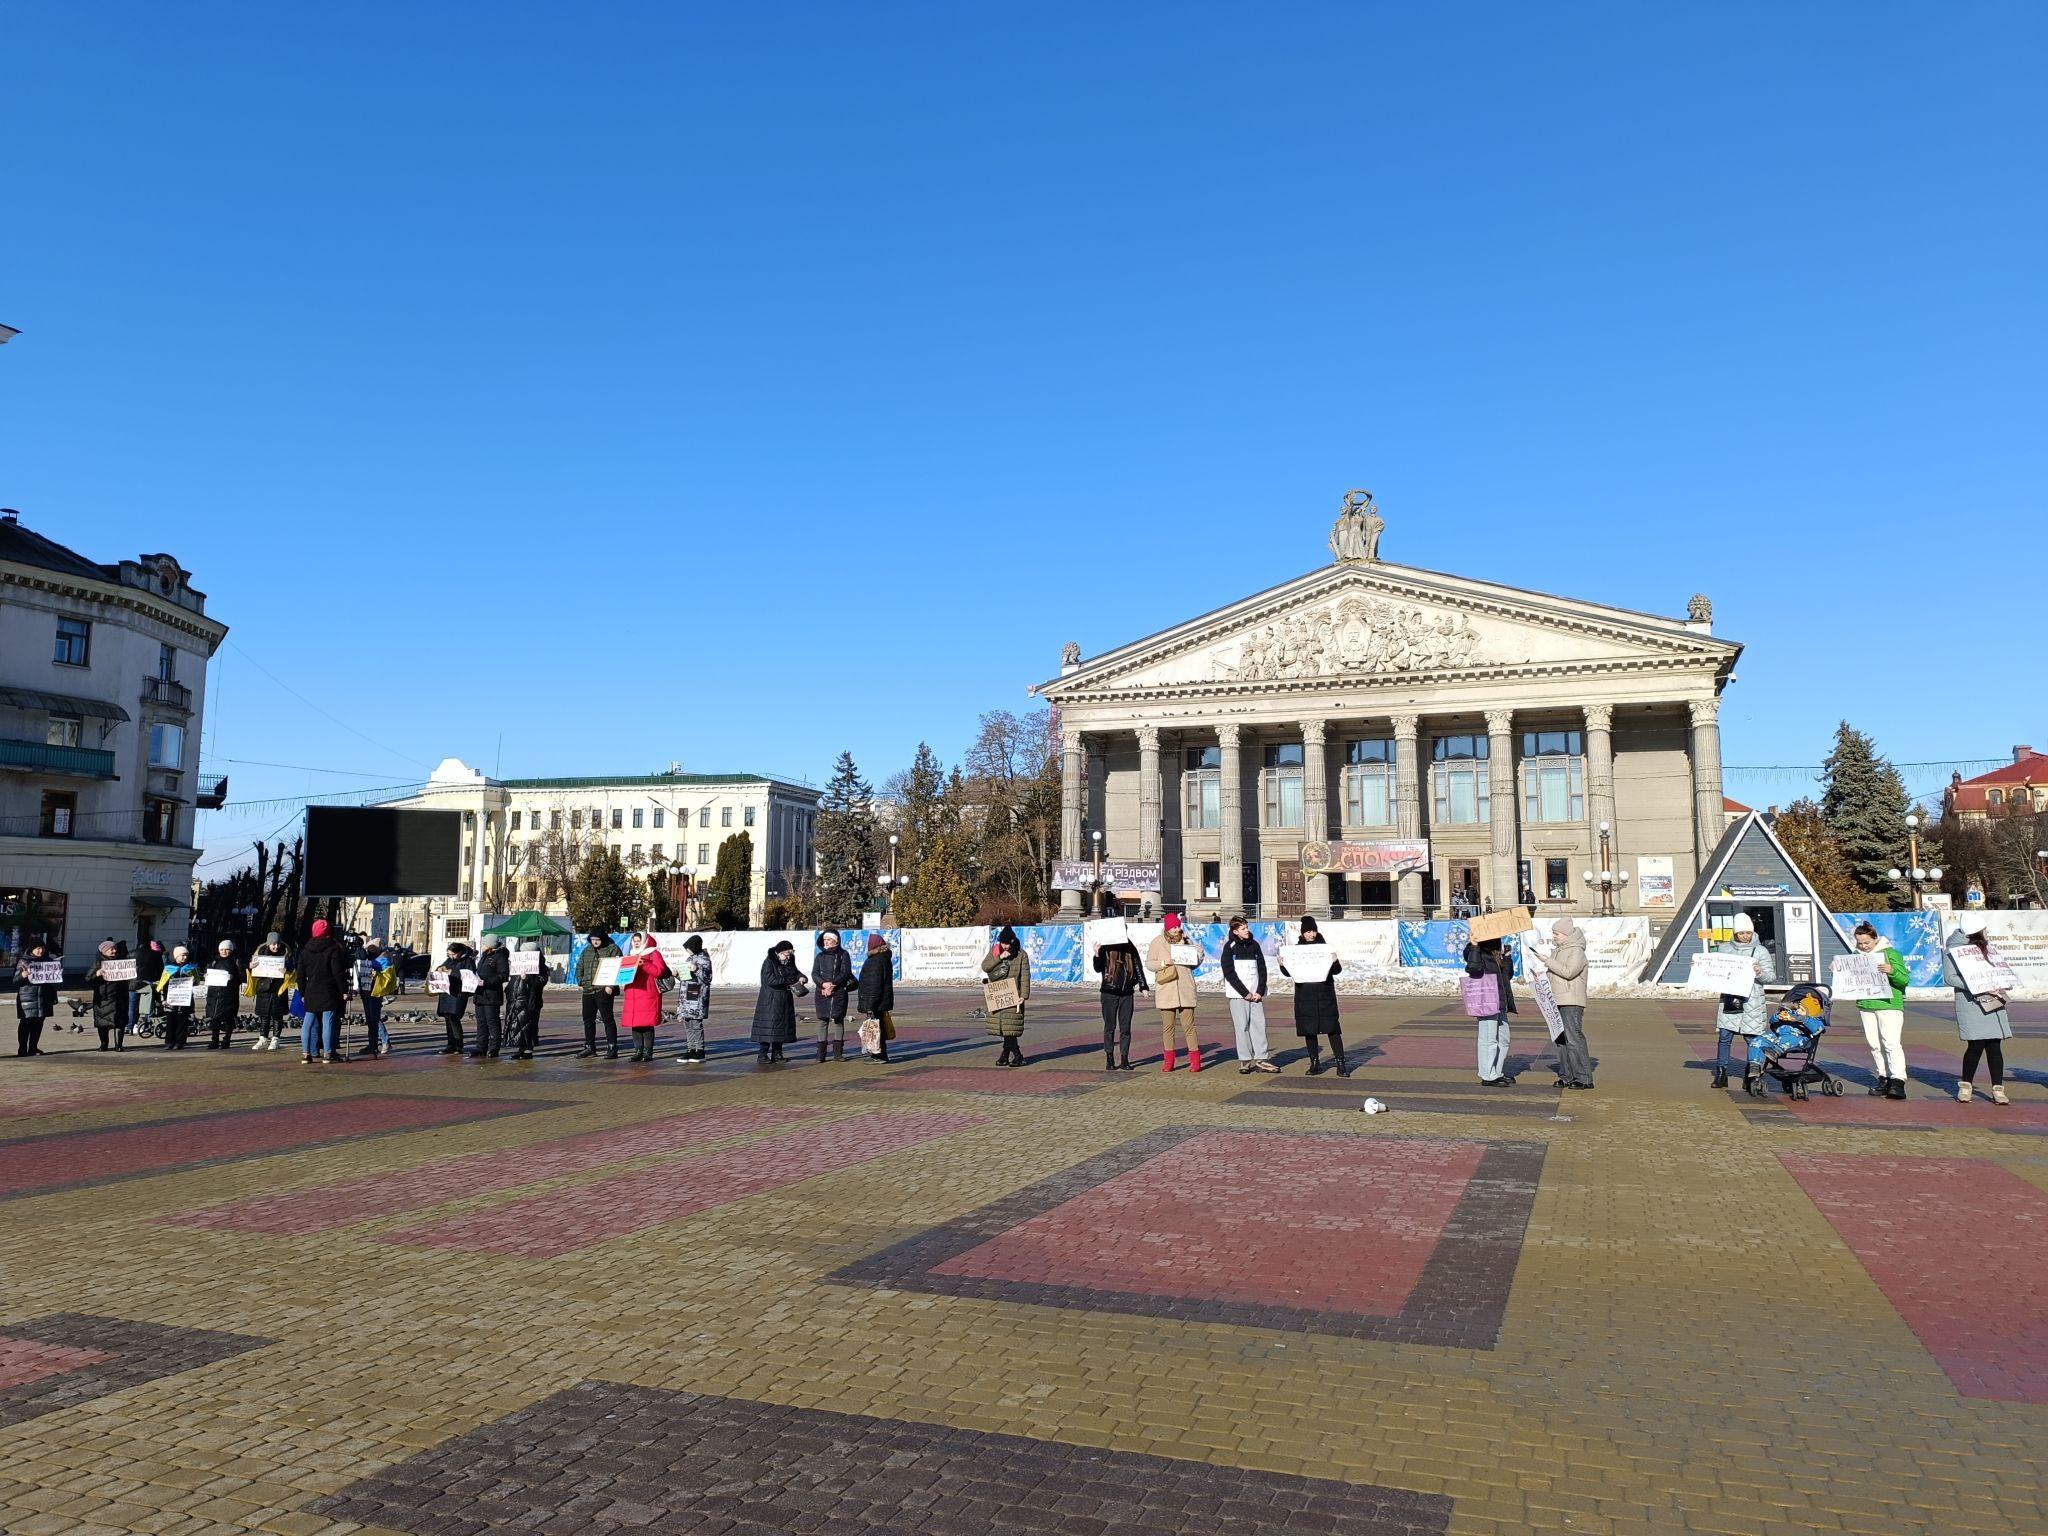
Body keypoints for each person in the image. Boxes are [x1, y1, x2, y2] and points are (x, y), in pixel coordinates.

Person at [1945, 921, 2012, 1105]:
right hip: (1971, 1002)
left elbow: (1999, 970)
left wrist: (2003, 980)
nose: (1986, 932)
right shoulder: (1953, 950)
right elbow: (1949, 978)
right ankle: (1966, 1086)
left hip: (1992, 1000)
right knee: (1975, 1045)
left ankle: (1998, 1089)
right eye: (1983, 929)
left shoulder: (1988, 948)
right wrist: (1977, 985)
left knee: (1994, 1046)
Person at [1710, 913, 1776, 1092]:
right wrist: (1700, 967)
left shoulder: (1760, 951)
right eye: (1741, 933)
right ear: (1735, 933)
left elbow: (1770, 977)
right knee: (1724, 1037)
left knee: (1752, 1039)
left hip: (1752, 1002)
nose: (1745, 936)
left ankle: (1752, 1074)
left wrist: (1759, 972)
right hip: (1730, 999)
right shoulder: (1724, 949)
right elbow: (1713, 969)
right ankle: (1721, 1073)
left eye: (1748, 932)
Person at [1851, 920, 1911, 1100]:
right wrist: (1839, 970)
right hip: (1867, 1004)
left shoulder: (1891, 954)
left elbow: (1904, 980)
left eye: (1866, 943)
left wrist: (1891, 970)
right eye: (1860, 943)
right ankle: (1883, 1077)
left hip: (1889, 1004)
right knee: (1874, 1044)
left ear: (1875, 939)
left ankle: (1898, 1080)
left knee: (1891, 1043)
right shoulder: (1856, 956)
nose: (1863, 946)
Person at [1279, 916, 1347, 1075]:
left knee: (1333, 1029)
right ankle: (1315, 1063)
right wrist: (1282, 965)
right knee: (1309, 1030)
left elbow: (1336, 971)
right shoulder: (1296, 950)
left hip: (1325, 994)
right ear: (1302, 933)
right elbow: (1289, 973)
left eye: (1313, 931)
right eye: (1308, 931)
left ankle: (1341, 1063)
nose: (1311, 934)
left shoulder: (1324, 948)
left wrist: (1335, 962)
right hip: (1305, 995)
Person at [1220, 917, 1279, 1074]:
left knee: (1259, 1025)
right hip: (1239, 995)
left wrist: (1260, 990)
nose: (1247, 930)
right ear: (1235, 931)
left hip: (1256, 995)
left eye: (1247, 927)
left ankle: (1261, 1058)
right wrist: (1244, 993)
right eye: (1243, 928)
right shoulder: (1229, 947)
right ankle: (1245, 1060)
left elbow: (1262, 969)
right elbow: (1229, 973)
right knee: (1242, 1027)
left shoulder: (1254, 945)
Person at [1540, 917, 1593, 1090]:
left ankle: (1584, 1078)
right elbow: (1556, 974)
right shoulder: (1558, 950)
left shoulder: (1576, 951)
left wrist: (1547, 961)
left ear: (1566, 934)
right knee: (1561, 1040)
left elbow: (1569, 972)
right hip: (1557, 1000)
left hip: (1571, 1000)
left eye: (1556, 933)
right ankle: (1567, 1075)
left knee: (1573, 1038)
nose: (1554, 936)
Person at [1145, 913, 1202, 1073]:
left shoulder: (1186, 941)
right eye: (1174, 927)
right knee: (1168, 1027)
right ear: (1167, 928)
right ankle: (1169, 1062)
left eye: (1178, 926)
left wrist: (1200, 954)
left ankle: (1195, 1062)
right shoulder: (1157, 942)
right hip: (1167, 989)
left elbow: (1194, 964)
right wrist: (1163, 963)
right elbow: (1149, 963)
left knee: (1189, 1026)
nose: (1177, 929)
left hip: (1185, 989)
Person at [297, 918, 354, 1064]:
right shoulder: (333, 949)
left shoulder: (305, 951)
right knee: (328, 1022)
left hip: (311, 990)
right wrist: (344, 990)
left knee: (307, 1022)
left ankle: (305, 1053)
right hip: (329, 990)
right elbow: (337, 972)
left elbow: (300, 975)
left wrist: (302, 993)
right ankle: (328, 1053)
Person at [1462, 935, 1516, 1086]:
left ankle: (1497, 1071)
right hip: (1486, 1001)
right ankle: (1488, 1075)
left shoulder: (1496, 953)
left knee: (1503, 1039)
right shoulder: (1476, 950)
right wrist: (1474, 945)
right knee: (1488, 1038)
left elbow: (1508, 976)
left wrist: (1507, 958)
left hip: (1500, 1001)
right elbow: (1473, 968)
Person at [1091, 931, 1147, 1071]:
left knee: (1125, 1028)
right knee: (1109, 1027)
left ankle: (1124, 1059)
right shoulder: (1106, 946)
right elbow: (1098, 969)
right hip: (1109, 992)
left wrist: (1143, 986)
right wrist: (1097, 954)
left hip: (1127, 993)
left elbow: (1137, 966)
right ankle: (1109, 1058)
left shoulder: (1130, 947)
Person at [981, 926, 1031, 1066]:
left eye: (1007, 943)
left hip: (1014, 995)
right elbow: (985, 967)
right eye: (1003, 943)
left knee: (1010, 1027)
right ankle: (1008, 1054)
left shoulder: (1021, 954)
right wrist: (999, 958)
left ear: (1013, 941)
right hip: (998, 994)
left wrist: (1024, 995)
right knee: (1003, 1026)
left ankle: (1015, 1055)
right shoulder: (995, 951)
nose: (1005, 946)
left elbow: (1025, 976)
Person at [752, 940, 805, 1066]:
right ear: (779, 952)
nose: (788, 956)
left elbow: (795, 972)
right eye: (787, 954)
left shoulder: (789, 961)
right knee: (768, 1028)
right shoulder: (769, 962)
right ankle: (762, 1054)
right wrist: (789, 980)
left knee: (781, 1028)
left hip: (784, 1000)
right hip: (770, 1000)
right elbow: (769, 980)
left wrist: (801, 977)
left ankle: (777, 1053)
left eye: (790, 954)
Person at [618, 932, 669, 1062]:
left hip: (648, 993)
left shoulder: (653, 953)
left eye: (638, 940)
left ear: (645, 941)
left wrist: (643, 964)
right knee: (635, 1024)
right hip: (632, 993)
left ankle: (648, 1052)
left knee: (647, 1024)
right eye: (634, 941)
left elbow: (659, 971)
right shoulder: (630, 954)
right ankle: (638, 1051)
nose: (636, 943)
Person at [810, 929, 855, 1062]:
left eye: (829, 940)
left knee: (838, 1020)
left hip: (839, 992)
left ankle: (838, 1053)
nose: (826, 942)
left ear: (836, 941)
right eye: (824, 940)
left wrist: (833, 984)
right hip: (822, 992)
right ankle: (821, 1054)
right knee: (823, 1021)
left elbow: (845, 972)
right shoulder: (819, 957)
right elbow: (814, 973)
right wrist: (823, 984)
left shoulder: (843, 954)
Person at [575, 931, 622, 1059]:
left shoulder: (613, 949)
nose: (595, 942)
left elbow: (618, 968)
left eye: (597, 939)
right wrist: (581, 981)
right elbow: (579, 967)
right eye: (593, 939)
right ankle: (589, 1046)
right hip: (588, 990)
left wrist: (610, 986)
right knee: (588, 1019)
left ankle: (612, 1047)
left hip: (604, 989)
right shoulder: (587, 951)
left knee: (607, 1019)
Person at [247, 932, 293, 1051]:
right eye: (273, 944)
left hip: (279, 989)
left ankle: (275, 1038)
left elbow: (293, 972)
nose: (276, 947)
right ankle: (263, 1038)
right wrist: (251, 967)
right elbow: (252, 974)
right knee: (264, 1015)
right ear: (268, 944)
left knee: (277, 1015)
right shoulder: (260, 955)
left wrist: (286, 971)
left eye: (277, 944)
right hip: (264, 989)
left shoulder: (286, 956)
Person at [505, 940, 548, 1059]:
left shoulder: (540, 965)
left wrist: (529, 978)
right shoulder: (519, 962)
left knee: (530, 1024)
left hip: (531, 1000)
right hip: (518, 1000)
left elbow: (542, 981)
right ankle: (521, 1048)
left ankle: (528, 1050)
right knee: (519, 1025)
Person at [469, 935, 510, 1059]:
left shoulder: (500, 957)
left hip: (491, 994)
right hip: (480, 994)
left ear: (490, 945)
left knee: (492, 1021)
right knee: (481, 1021)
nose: (482, 946)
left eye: (484, 944)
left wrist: (486, 982)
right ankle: (481, 1047)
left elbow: (503, 975)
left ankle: (494, 1048)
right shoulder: (484, 957)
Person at [855, 932, 894, 1062]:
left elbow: (874, 985)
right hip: (881, 1001)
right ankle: (880, 1054)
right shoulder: (884, 958)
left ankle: (878, 1055)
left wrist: (870, 1006)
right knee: (879, 1028)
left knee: (876, 1029)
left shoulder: (875, 961)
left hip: (876, 1002)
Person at [14, 942, 58, 1056]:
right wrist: (23, 976)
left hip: (44, 997)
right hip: (28, 998)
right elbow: (15, 980)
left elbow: (54, 981)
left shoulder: (48, 961)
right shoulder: (24, 961)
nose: (41, 951)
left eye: (42, 948)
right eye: (38, 948)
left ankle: (33, 1048)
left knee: (38, 1024)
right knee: (26, 1023)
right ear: (32, 949)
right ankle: (22, 1049)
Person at [675, 934, 713, 1064]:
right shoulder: (689, 959)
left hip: (697, 998)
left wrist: (697, 969)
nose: (688, 951)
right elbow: (685, 978)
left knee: (696, 1024)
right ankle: (690, 1048)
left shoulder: (704, 960)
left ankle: (700, 1050)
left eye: (689, 948)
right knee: (688, 1023)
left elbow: (707, 979)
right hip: (686, 997)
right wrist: (677, 974)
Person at [203, 939, 245, 1049]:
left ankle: (227, 1040)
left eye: (227, 949)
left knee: (228, 1018)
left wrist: (233, 977)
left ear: (231, 950)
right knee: (215, 1019)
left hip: (229, 995)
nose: (224, 952)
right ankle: (214, 1040)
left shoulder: (236, 961)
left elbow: (243, 977)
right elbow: (206, 971)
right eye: (222, 949)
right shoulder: (214, 961)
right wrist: (206, 975)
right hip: (214, 995)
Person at [434, 943, 475, 1055]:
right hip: (447, 992)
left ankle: (458, 1045)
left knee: (454, 1018)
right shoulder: (449, 960)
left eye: (453, 954)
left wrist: (453, 973)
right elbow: (441, 967)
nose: (451, 956)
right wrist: (439, 969)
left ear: (459, 952)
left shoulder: (468, 961)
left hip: (459, 993)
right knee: (447, 1018)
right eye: (449, 954)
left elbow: (469, 977)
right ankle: (450, 1044)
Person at [358, 938, 396, 1056]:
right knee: (370, 1018)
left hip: (375, 991)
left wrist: (370, 966)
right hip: (368, 991)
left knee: (375, 1018)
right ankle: (373, 1044)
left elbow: (386, 975)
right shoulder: (374, 959)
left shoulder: (383, 959)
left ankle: (384, 1041)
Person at [88, 939, 127, 1051]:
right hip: (103, 998)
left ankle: (118, 1045)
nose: (114, 951)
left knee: (120, 1022)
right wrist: (97, 974)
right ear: (104, 951)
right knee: (102, 1022)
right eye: (111, 949)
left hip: (119, 997)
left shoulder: (122, 962)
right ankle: (104, 1044)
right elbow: (87, 979)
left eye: (115, 948)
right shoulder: (97, 963)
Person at [158, 945, 198, 1050]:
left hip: (184, 999)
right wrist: (163, 999)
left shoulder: (191, 968)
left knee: (182, 1021)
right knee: (171, 1021)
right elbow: (162, 984)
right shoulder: (168, 969)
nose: (185, 957)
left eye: (186, 955)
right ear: (176, 956)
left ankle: (180, 1042)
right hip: (170, 999)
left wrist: (194, 980)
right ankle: (169, 1042)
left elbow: (197, 982)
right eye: (182, 955)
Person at [133, 938, 164, 1038]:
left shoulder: (133, 954)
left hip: (139, 983)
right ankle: (150, 1019)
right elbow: (161, 970)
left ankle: (132, 1024)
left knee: (136, 1005)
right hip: (153, 982)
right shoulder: (156, 956)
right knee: (153, 1003)